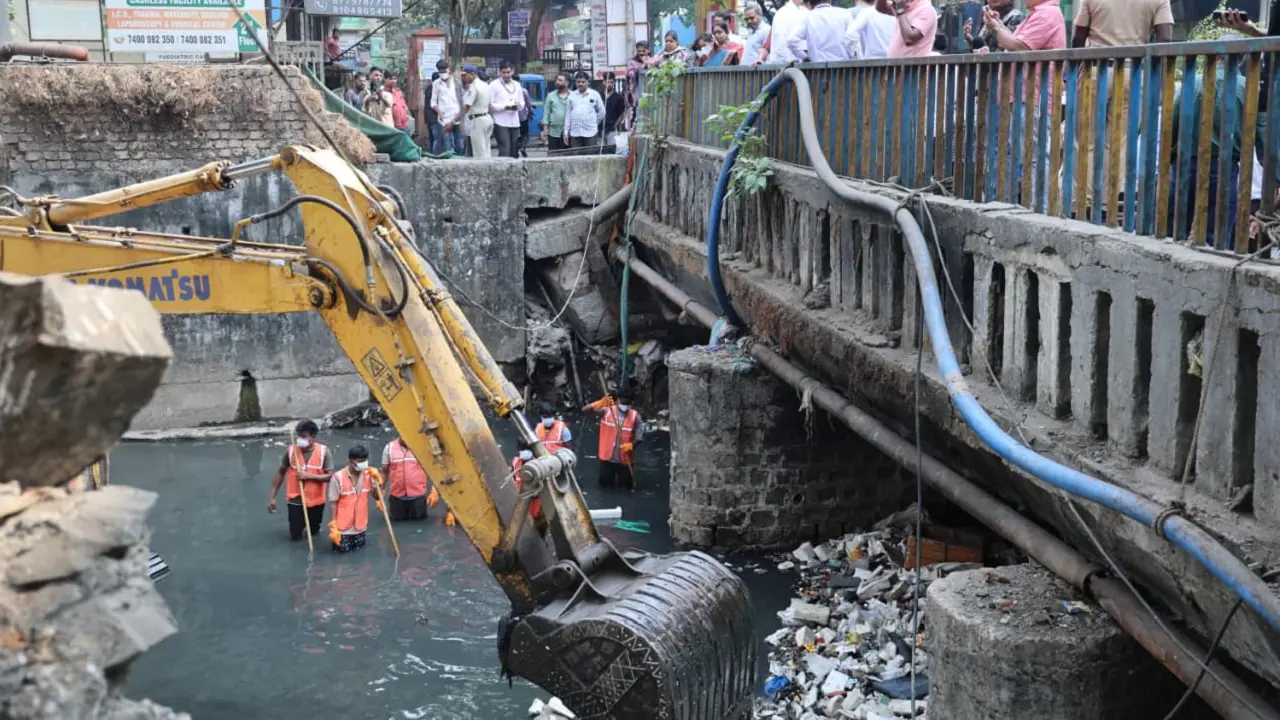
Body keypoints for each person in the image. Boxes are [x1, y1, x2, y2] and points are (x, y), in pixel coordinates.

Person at [267, 420, 333, 541]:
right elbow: (281, 472)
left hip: (315, 501)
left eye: (304, 436)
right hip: (295, 499)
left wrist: (310, 476)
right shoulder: (291, 451)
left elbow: (330, 476)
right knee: (295, 536)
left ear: (313, 437)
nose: (299, 439)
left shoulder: (324, 452)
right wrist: (272, 497)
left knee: (313, 532)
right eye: (299, 436)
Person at [582, 388, 644, 490]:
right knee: (605, 488)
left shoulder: (635, 416)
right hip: (607, 459)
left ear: (631, 402)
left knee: (626, 489)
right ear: (618, 400)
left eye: (627, 402)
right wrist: (600, 403)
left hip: (625, 460)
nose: (624, 404)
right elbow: (584, 410)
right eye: (623, 401)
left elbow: (639, 437)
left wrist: (632, 445)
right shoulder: (607, 411)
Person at [327, 445, 382, 554]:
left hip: (361, 527)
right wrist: (333, 526)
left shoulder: (370, 475)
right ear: (351, 461)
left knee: (361, 557)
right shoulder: (337, 477)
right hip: (343, 530)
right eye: (361, 461)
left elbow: (377, 497)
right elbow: (333, 503)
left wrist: (377, 485)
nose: (364, 464)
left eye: (365, 461)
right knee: (341, 560)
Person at [380, 436, 433, 521]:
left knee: (419, 522)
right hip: (397, 498)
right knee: (397, 523)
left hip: (418, 498)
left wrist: (434, 492)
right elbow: (384, 471)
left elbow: (434, 471)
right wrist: (380, 493)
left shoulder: (422, 447)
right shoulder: (389, 448)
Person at [789, 0, 854, 62]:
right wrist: (856, 59)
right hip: (843, 68)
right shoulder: (844, 13)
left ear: (810, 3)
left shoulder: (807, 18)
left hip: (817, 69)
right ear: (829, 0)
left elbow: (791, 41)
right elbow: (852, 40)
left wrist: (804, 57)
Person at [510, 441, 548, 535]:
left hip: (534, 497)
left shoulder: (538, 464)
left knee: (536, 517)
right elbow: (514, 476)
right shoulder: (516, 461)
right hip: (521, 495)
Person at [489, 60, 525, 159]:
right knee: (505, 149)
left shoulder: (517, 85)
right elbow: (490, 105)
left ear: (512, 71)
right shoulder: (493, 85)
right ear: (499, 72)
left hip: (514, 121)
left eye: (508, 72)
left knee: (514, 150)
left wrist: (517, 106)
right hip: (500, 122)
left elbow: (522, 103)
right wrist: (505, 107)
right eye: (503, 72)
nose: (506, 75)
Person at [565, 71, 605, 148]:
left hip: (590, 132)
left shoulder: (594, 94)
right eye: (578, 82)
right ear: (575, 83)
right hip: (575, 133)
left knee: (590, 156)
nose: (580, 84)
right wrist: (566, 132)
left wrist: (594, 122)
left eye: (583, 82)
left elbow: (602, 112)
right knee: (576, 156)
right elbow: (568, 114)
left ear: (588, 82)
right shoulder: (571, 96)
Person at [763, 0, 810, 64]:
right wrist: (805, 57)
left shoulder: (780, 13)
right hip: (795, 65)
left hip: (779, 65)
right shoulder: (803, 13)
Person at [432, 59, 463, 156]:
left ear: (449, 69)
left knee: (460, 145)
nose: (442, 74)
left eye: (444, 71)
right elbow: (433, 102)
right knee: (448, 146)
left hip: (457, 118)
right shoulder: (436, 83)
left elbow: (462, 99)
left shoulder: (457, 82)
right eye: (440, 72)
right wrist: (439, 112)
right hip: (444, 119)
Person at [461, 64, 493, 158]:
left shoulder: (474, 87)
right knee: (486, 148)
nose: (464, 78)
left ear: (472, 74)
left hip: (477, 120)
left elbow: (467, 106)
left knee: (479, 150)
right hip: (487, 118)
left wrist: (455, 120)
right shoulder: (485, 85)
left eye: (465, 75)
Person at [542, 74, 571, 151]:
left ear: (567, 83)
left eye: (560, 80)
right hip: (553, 132)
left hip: (569, 132)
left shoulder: (573, 96)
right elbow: (546, 115)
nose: (557, 82)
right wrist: (545, 133)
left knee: (568, 156)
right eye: (556, 80)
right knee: (553, 155)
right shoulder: (550, 96)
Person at [603, 76, 625, 148]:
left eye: (611, 82)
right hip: (599, 129)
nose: (609, 84)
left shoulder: (618, 97)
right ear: (603, 82)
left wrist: (615, 125)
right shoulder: (598, 95)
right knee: (599, 151)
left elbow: (622, 114)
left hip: (611, 129)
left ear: (614, 83)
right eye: (607, 82)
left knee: (611, 149)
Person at [518, 83, 533, 158]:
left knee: (515, 135)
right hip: (523, 117)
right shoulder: (523, 91)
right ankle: (523, 147)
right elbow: (528, 104)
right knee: (525, 135)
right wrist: (531, 112)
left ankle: (515, 150)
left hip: (511, 119)